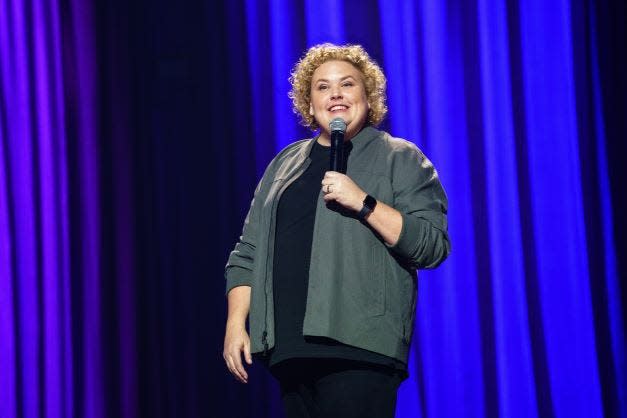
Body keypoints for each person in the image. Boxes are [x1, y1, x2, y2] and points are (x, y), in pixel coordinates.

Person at [223, 43, 450, 418]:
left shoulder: (400, 157)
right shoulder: (284, 164)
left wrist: (364, 202)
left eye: (348, 84)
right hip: (289, 349)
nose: (336, 94)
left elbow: (432, 245)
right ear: (309, 104)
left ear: (368, 96)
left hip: (360, 347)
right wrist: (236, 325)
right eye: (323, 87)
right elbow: (247, 252)